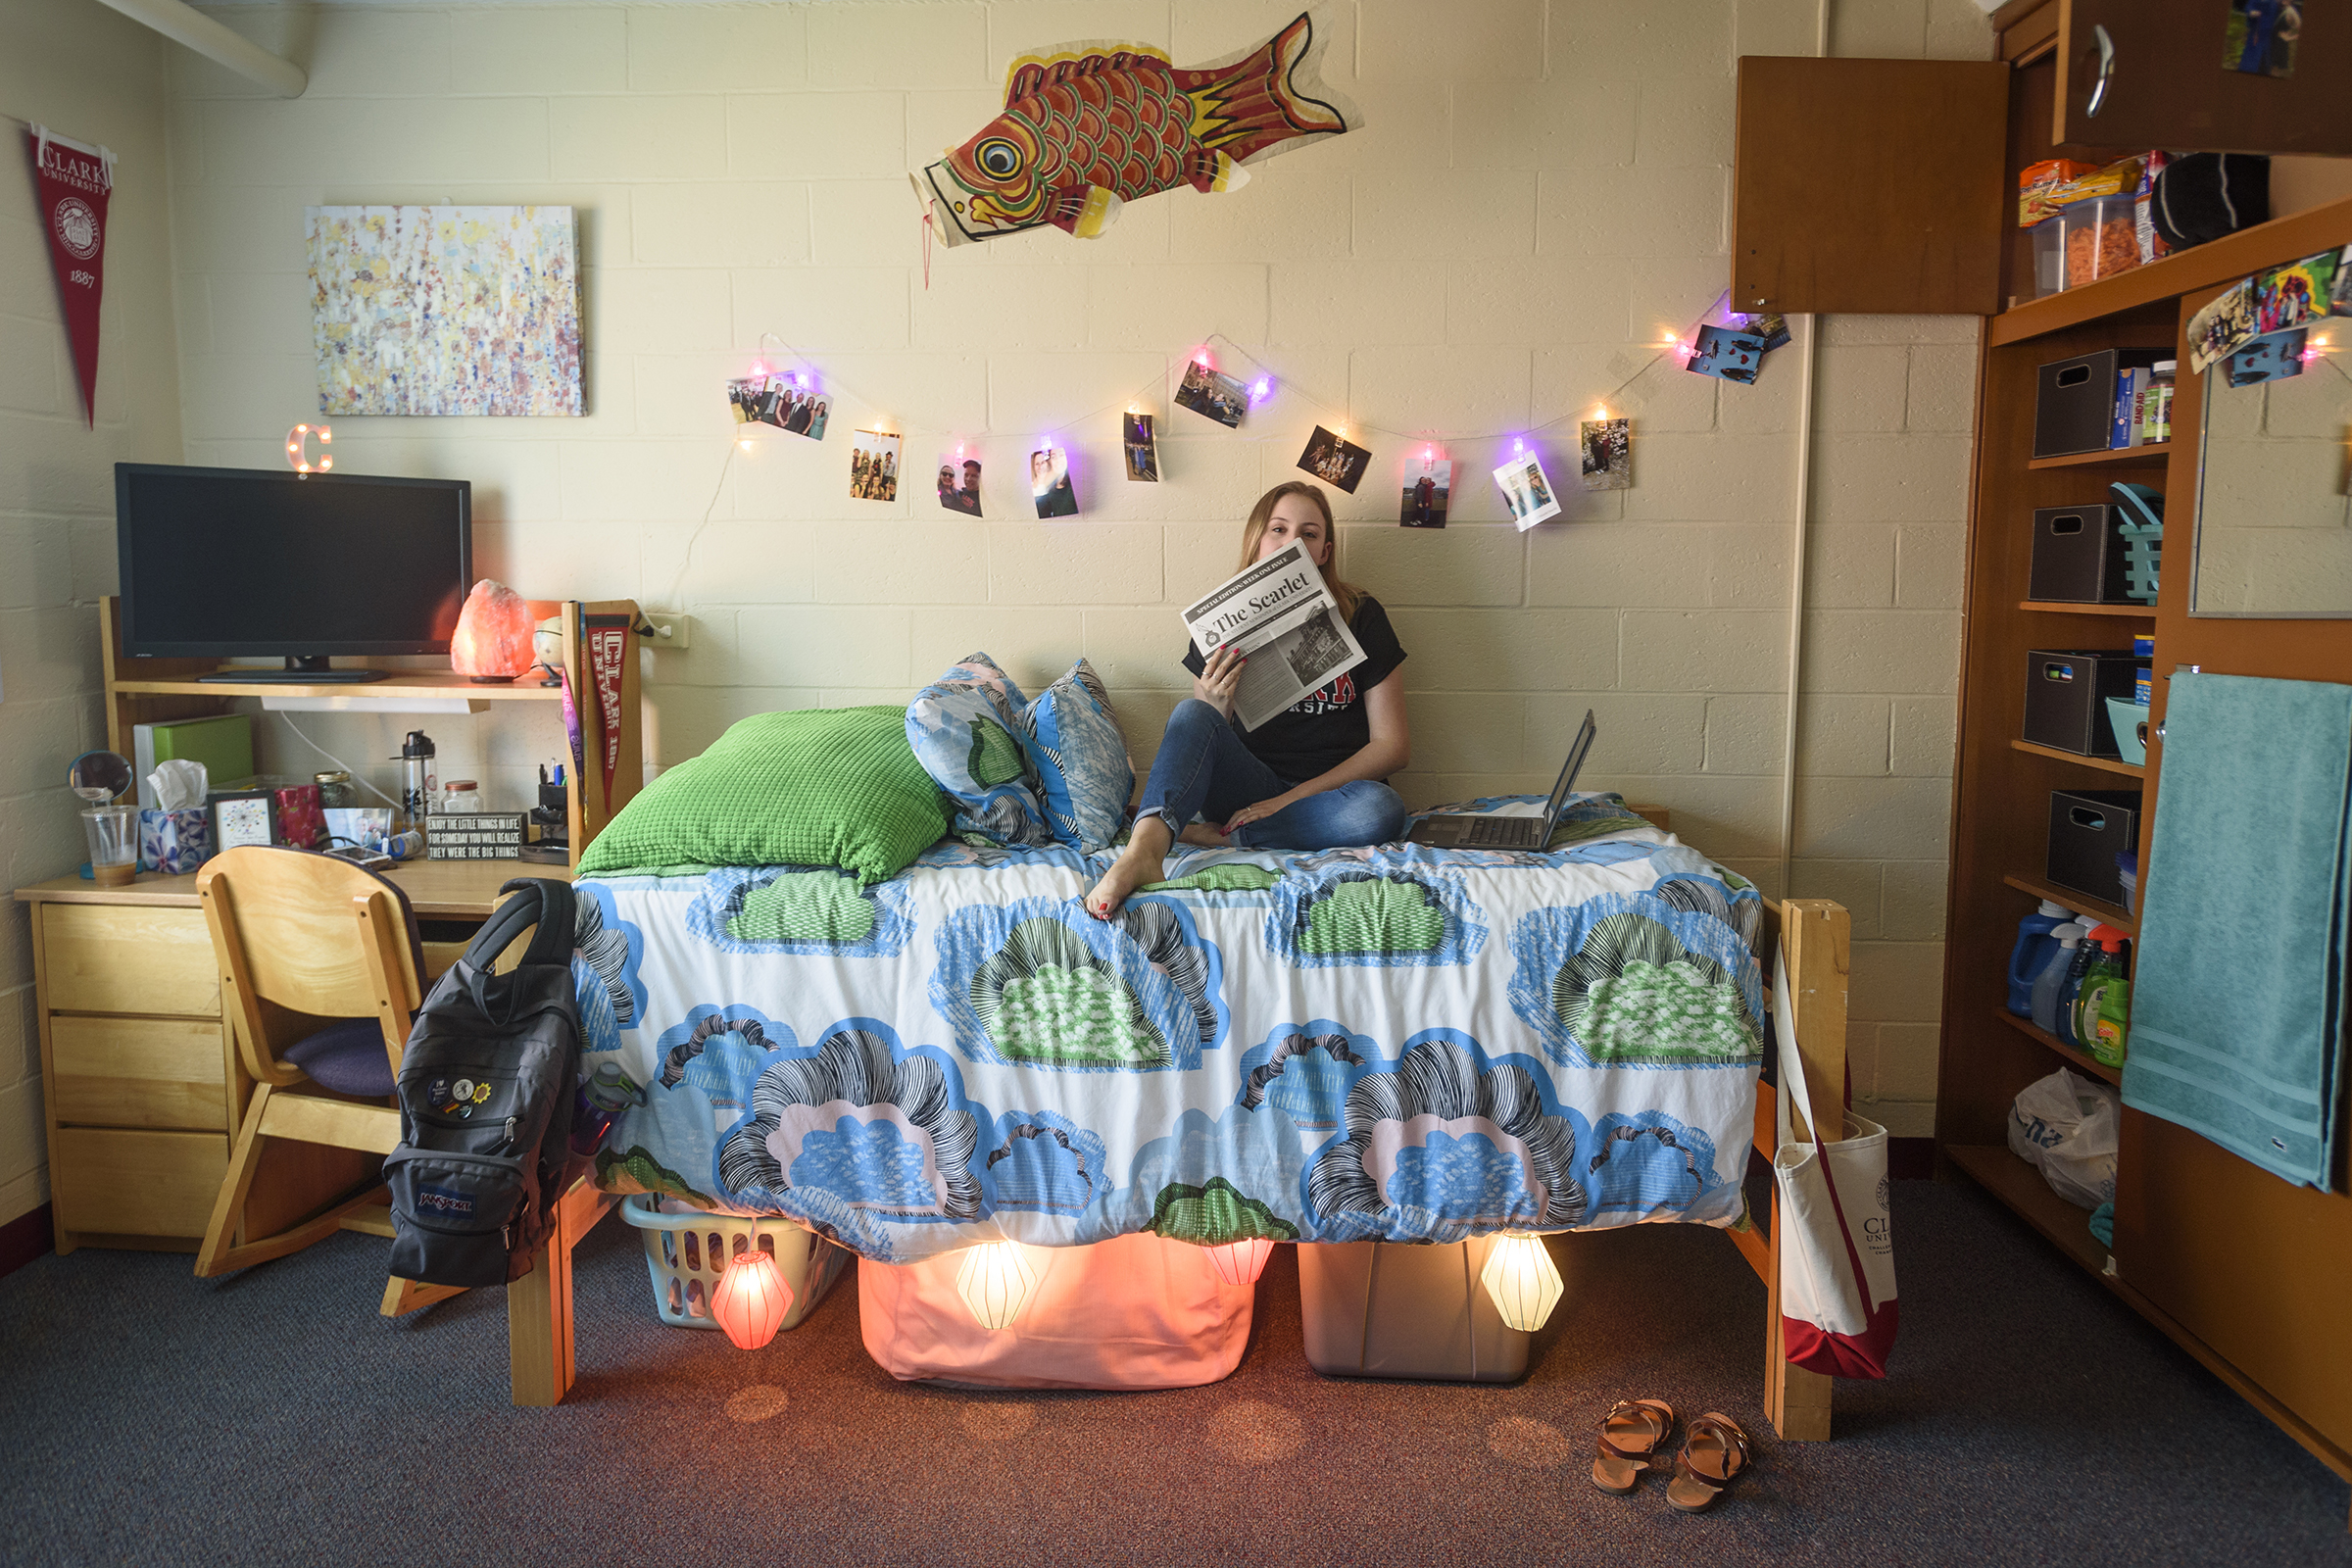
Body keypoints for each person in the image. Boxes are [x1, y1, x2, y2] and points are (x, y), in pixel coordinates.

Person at [1086, 480, 1412, 918]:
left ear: (1324, 552)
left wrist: (1283, 803)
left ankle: (1218, 837)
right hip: (1245, 790)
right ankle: (1144, 850)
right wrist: (1218, 702)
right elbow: (1203, 742)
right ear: (1257, 539)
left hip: (1331, 797)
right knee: (1191, 712)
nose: (1291, 541)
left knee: (1381, 809)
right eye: (1278, 528)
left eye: (1309, 533)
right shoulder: (1220, 625)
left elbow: (1392, 747)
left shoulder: (1362, 614)